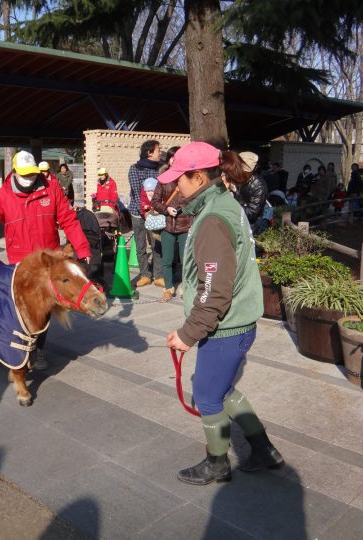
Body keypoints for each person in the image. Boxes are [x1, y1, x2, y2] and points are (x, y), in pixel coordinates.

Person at [163, 141, 284, 485]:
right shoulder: (224, 203)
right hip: (239, 321)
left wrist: (188, 334)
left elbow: (215, 290)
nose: (175, 186)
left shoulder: (214, 218)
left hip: (226, 327)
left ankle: (217, 462)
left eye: (180, 179)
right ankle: (264, 450)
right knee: (221, 388)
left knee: (206, 394)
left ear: (198, 177)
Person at [0, 151, 91, 371]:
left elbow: (69, 220)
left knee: (44, 308)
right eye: (25, 174)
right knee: (20, 308)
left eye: (33, 174)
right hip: (20, 263)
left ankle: (38, 349)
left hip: (48, 261)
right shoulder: (4, 196)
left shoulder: (51, 189)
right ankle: (21, 346)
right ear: (14, 172)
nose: (30, 178)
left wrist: (82, 247)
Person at [152, 167, 192, 301]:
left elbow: (195, 200)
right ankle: (168, 289)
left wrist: (184, 208)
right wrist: (166, 208)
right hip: (167, 226)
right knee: (167, 259)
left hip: (186, 226)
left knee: (185, 259)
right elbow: (155, 201)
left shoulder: (188, 179)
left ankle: (187, 288)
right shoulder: (163, 180)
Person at [128, 139, 162, 287]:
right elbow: (136, 192)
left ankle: (159, 275)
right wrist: (145, 212)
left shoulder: (160, 169)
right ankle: (145, 275)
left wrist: (155, 211)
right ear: (149, 153)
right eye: (158, 150)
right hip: (138, 212)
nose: (160, 153)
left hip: (156, 213)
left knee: (156, 245)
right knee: (141, 245)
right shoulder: (135, 168)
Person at [234, 151, 268, 228]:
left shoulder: (258, 186)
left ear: (254, 169)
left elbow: (251, 215)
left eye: (246, 171)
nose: (241, 172)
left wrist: (236, 195)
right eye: (239, 169)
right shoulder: (233, 177)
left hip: (249, 226)